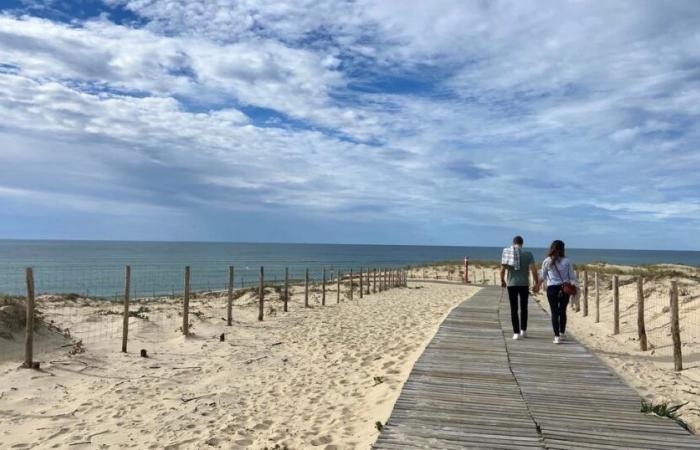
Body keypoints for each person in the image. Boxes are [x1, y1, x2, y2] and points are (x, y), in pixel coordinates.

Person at [536, 240, 577, 344]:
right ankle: (562, 333)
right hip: (565, 288)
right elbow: (572, 277)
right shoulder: (567, 261)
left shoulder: (546, 261)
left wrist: (537, 285)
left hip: (552, 289)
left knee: (554, 312)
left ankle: (557, 336)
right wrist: (574, 286)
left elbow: (543, 276)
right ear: (563, 249)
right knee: (562, 311)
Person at [500, 235, 538, 340]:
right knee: (524, 308)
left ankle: (516, 333)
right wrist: (536, 282)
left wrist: (502, 280)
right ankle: (523, 331)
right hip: (524, 284)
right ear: (522, 243)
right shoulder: (528, 254)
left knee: (513, 308)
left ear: (513, 243)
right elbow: (533, 270)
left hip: (512, 284)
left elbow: (502, 269)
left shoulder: (507, 253)